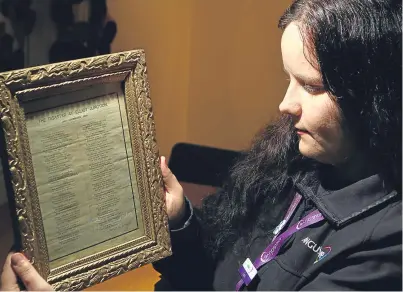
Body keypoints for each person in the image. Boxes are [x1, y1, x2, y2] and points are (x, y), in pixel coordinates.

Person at [1, 0, 401, 290]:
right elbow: (211, 277)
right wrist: (179, 222)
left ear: (372, 98)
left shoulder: (387, 248)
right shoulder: (297, 163)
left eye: (312, 86)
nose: (285, 104)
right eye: (288, 79)